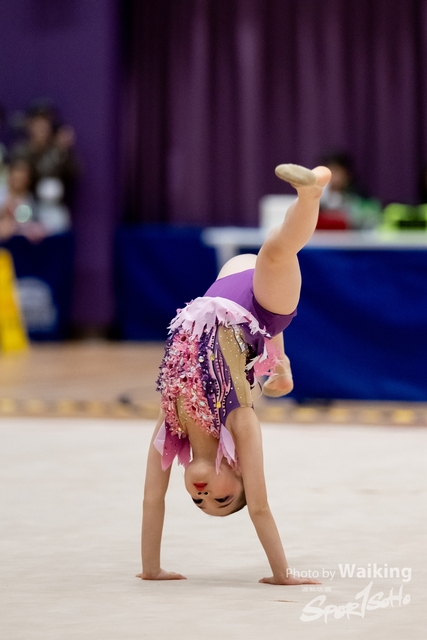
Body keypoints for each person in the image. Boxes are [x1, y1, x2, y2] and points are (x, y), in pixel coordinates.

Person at [136, 163, 331, 585]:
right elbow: (259, 507)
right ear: (239, 470)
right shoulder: (240, 421)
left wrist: (151, 568)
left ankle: (279, 366)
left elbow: (153, 499)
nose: (204, 496)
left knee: (269, 269)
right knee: (275, 253)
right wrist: (282, 575)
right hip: (261, 309)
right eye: (221, 500)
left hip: (223, 291)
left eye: (198, 503)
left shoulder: (171, 427)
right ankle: (311, 194)